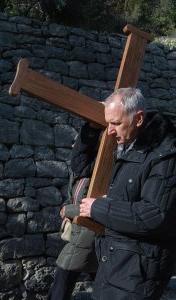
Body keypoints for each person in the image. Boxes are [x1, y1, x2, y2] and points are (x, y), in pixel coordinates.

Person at [80, 87, 176, 299]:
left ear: (138, 118)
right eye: (108, 123)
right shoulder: (127, 146)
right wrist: (89, 130)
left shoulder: (166, 155)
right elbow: (81, 168)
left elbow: (154, 215)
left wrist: (99, 207)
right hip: (113, 265)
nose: (110, 131)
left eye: (115, 123)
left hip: (138, 274)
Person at [47, 122, 102, 299]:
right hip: (80, 232)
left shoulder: (99, 171)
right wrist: (66, 206)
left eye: (76, 145)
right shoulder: (80, 173)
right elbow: (74, 196)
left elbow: (96, 202)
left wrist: (69, 210)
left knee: (65, 273)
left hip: (89, 232)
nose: (73, 148)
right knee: (98, 276)